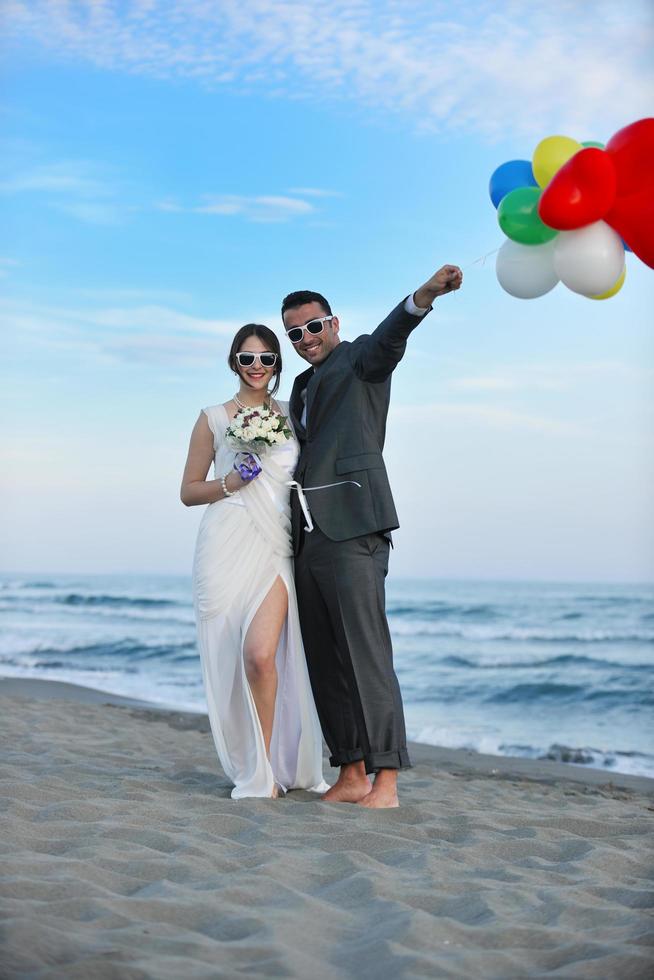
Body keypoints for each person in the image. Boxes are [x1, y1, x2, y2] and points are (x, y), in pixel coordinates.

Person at [282, 264, 463, 808]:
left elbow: (391, 338)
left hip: (356, 527)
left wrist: (424, 296)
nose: (305, 339)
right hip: (308, 537)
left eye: (313, 327)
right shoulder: (302, 385)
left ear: (332, 323)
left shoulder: (359, 359)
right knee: (325, 658)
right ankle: (351, 772)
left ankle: (387, 780)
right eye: (294, 333)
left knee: (365, 655)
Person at [180, 324, 329, 799]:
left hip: (275, 546)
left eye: (266, 358)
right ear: (234, 363)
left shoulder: (292, 414)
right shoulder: (212, 418)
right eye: (248, 359)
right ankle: (257, 776)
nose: (258, 367)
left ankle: (267, 766)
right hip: (225, 542)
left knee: (261, 655)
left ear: (278, 365)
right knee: (229, 658)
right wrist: (231, 482)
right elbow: (188, 492)